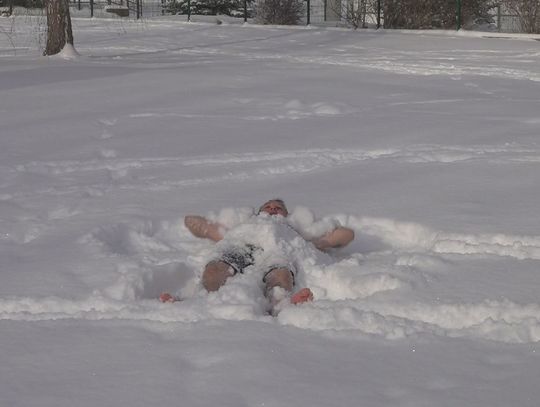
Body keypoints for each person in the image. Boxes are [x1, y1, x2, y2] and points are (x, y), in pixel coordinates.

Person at [160, 199, 354, 313]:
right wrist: (203, 226)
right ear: (259, 211)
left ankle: (280, 305)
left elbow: (345, 235)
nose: (272, 209)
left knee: (281, 274)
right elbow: (201, 226)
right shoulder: (244, 225)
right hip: (239, 247)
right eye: (268, 206)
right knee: (214, 269)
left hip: (277, 250)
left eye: (278, 207)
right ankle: (200, 301)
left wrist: (319, 243)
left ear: (286, 214)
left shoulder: (292, 229)